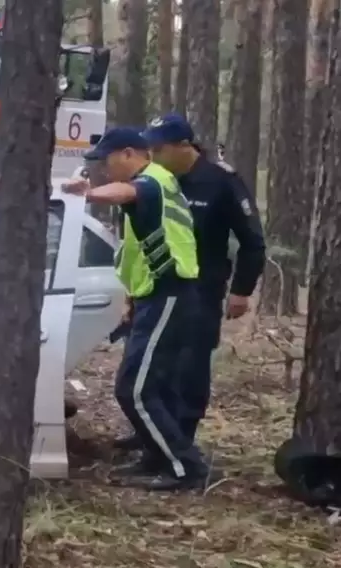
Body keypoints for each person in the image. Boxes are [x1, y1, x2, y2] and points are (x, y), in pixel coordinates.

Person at [62, 128, 213, 491]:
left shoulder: (152, 180)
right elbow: (136, 250)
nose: (103, 168)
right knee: (152, 387)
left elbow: (127, 192)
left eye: (107, 159)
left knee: (136, 389)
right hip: (154, 296)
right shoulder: (151, 185)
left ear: (128, 153)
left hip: (170, 294)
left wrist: (89, 193)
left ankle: (186, 469)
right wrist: (131, 296)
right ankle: (156, 457)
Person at [110, 114, 266, 452]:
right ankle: (152, 440)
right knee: (151, 367)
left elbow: (252, 239)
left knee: (188, 367)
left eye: (159, 148)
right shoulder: (156, 179)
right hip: (155, 288)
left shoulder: (221, 181)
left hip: (202, 289)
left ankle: (182, 446)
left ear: (184, 146)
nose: (152, 154)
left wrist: (242, 290)